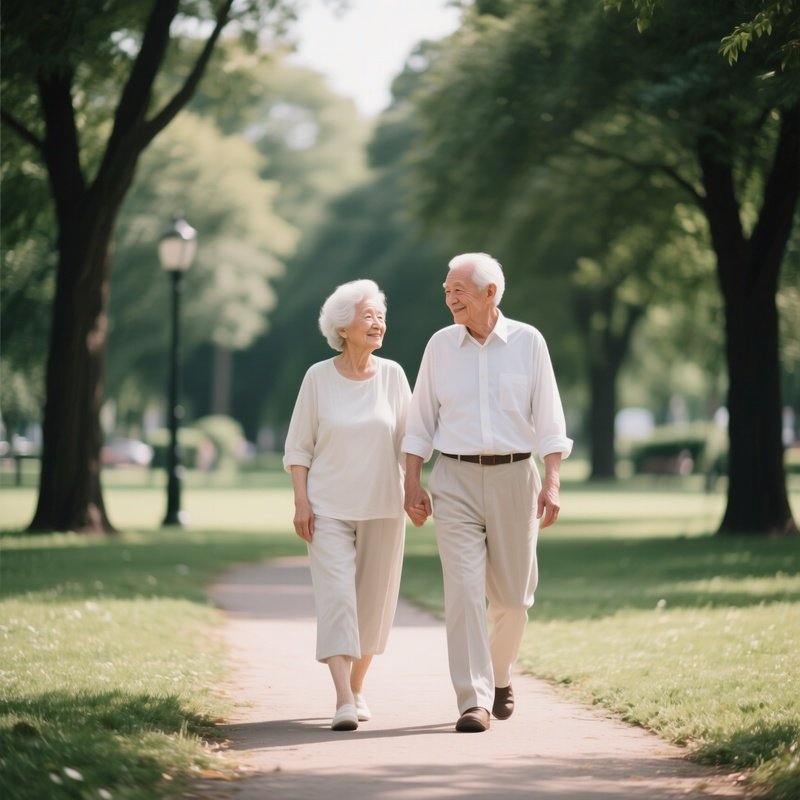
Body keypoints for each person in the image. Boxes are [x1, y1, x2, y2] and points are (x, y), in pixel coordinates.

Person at [402, 253, 572, 733]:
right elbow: (419, 423)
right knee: (462, 591)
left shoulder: (528, 342)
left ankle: (500, 676)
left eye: (459, 289)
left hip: (517, 478)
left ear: (490, 293)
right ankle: (472, 700)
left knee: (514, 600)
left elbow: (550, 420)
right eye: (447, 290)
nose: (450, 297)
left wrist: (553, 481)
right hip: (453, 479)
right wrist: (411, 481)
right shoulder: (440, 346)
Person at [283, 279, 411, 731]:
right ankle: (342, 699)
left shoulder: (394, 375)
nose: (379, 323)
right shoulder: (318, 377)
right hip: (328, 506)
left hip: (383, 504)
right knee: (337, 599)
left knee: (374, 605)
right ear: (343, 327)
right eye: (368, 316)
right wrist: (301, 502)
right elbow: (298, 447)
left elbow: (408, 442)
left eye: (380, 315)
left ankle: (358, 688)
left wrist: (415, 488)